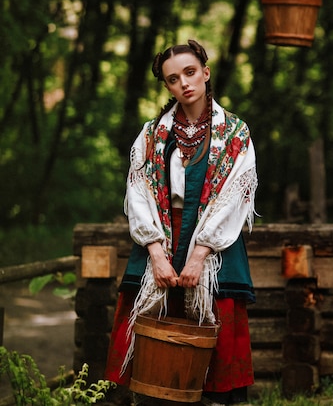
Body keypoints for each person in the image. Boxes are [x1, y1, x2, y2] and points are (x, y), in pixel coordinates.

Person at [104, 40, 258, 406]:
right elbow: (137, 191)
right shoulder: (152, 134)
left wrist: (200, 253)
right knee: (151, 345)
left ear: (206, 73)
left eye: (190, 73)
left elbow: (235, 194)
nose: (184, 83)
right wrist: (155, 252)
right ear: (168, 86)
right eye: (174, 79)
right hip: (158, 237)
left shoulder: (235, 133)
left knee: (216, 344)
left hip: (215, 243)